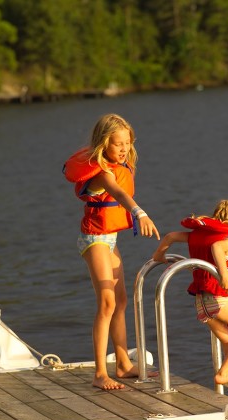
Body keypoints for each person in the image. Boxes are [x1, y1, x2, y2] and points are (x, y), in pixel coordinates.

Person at [64, 113, 160, 390]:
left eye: (127, 144)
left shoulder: (122, 164)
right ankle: (99, 374)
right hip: (93, 239)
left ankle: (122, 363)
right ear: (104, 144)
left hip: (110, 240)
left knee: (121, 302)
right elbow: (118, 193)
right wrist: (139, 213)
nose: (124, 149)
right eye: (118, 144)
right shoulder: (103, 173)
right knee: (106, 303)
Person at [152, 199, 228, 389]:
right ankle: (224, 374)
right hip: (219, 298)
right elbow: (216, 247)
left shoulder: (196, 235)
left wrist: (159, 256)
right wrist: (224, 276)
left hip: (202, 302)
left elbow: (170, 237)